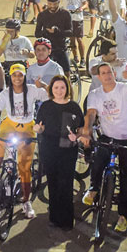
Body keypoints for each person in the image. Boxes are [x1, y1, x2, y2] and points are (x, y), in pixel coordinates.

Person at [81, 60, 127, 234]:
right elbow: (91, 114)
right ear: (99, 77)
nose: (107, 75)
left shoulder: (124, 88)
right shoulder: (95, 94)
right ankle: (94, 189)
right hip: (108, 136)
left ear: (114, 74)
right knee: (98, 160)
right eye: (103, 73)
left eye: (109, 72)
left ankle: (123, 216)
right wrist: (86, 131)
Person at [0, 63, 47, 218]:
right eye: (14, 75)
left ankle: (26, 201)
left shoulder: (32, 90)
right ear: (10, 76)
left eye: (20, 75)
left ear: (24, 76)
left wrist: (43, 85)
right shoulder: (5, 93)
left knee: (24, 167)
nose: (17, 78)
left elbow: (52, 95)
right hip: (10, 124)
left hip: (27, 127)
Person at [34, 74, 85, 231]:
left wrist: (77, 136)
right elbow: (40, 127)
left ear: (67, 88)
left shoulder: (74, 107)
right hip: (49, 149)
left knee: (66, 183)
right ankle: (54, 217)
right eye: (56, 87)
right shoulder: (46, 106)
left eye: (62, 87)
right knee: (53, 182)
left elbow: (81, 128)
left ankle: (67, 219)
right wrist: (38, 129)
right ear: (51, 89)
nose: (59, 90)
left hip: (68, 150)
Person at [35, 0, 74, 75]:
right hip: (47, 48)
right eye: (50, 4)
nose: (52, 6)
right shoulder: (42, 15)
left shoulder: (65, 14)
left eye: (55, 4)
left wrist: (57, 31)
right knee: (44, 73)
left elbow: (70, 32)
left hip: (60, 47)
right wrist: (45, 32)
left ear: (59, 2)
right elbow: (37, 33)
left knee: (66, 73)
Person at [58, 0, 89, 65]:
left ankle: (83, 58)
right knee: (72, 39)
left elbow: (86, 3)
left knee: (79, 39)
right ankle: (76, 57)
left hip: (78, 18)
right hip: (68, 18)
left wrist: (81, 8)